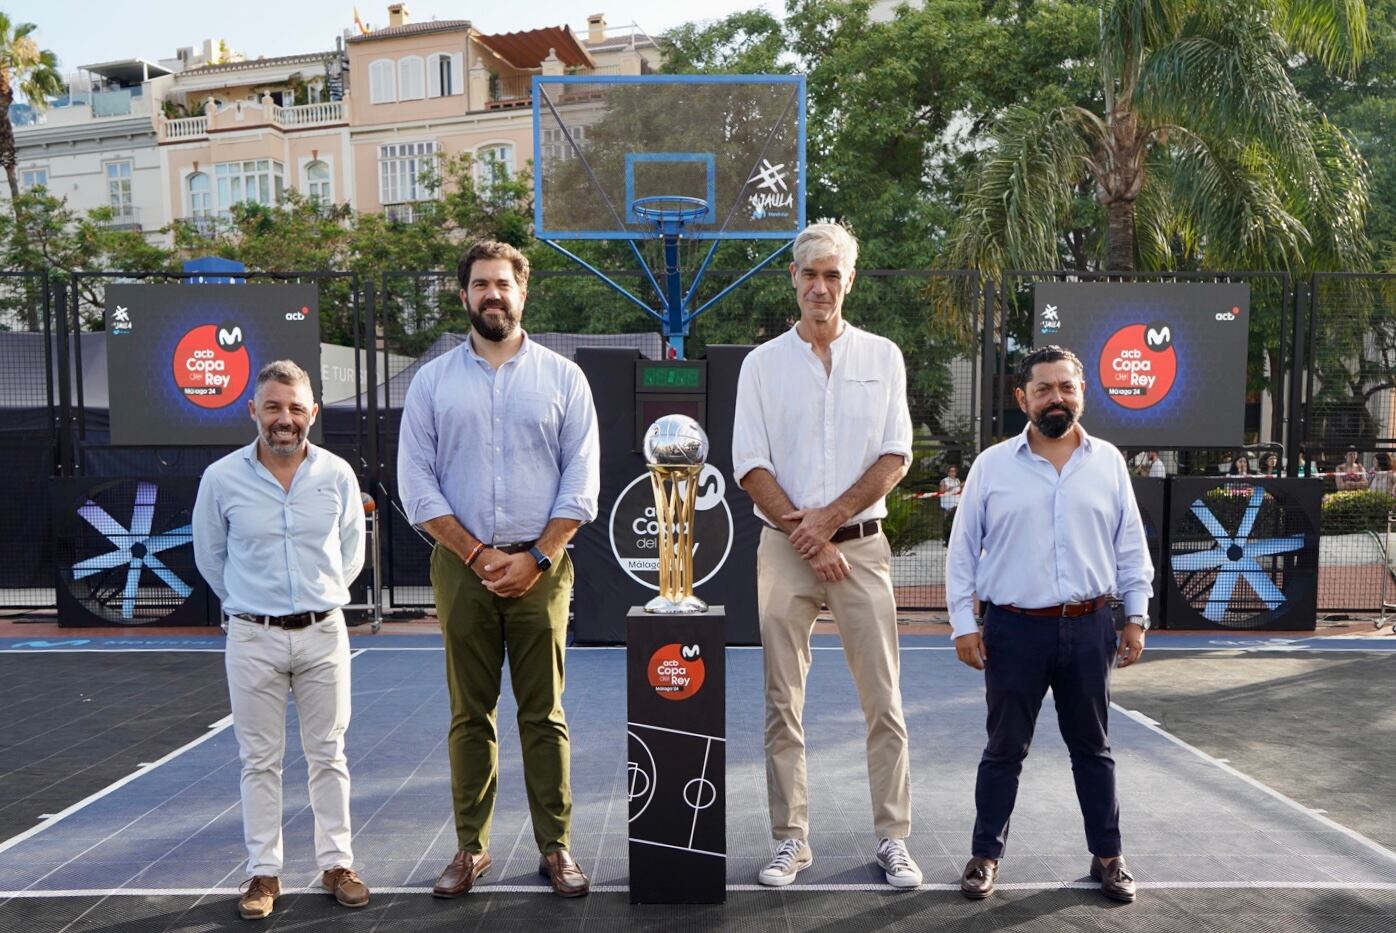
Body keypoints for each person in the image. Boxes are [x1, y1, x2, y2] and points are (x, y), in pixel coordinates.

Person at [397, 240, 600, 899]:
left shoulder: (563, 378)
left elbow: (582, 483)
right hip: (462, 567)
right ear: (465, 295)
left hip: (545, 565)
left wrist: (538, 554)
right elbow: (417, 486)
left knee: (544, 714)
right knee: (469, 714)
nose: (492, 293)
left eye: (503, 283)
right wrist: (478, 554)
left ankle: (556, 846)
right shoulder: (432, 382)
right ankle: (470, 847)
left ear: (522, 292)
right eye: (480, 283)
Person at [731, 221, 921, 890]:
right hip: (784, 549)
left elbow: (895, 456)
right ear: (793, 277)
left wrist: (832, 522)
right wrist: (807, 535)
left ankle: (892, 838)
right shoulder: (762, 365)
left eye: (832, 274)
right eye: (810, 273)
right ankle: (790, 839)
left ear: (850, 279)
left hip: (861, 549)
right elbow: (749, 462)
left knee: (885, 702)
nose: (820, 285)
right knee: (783, 702)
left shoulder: (883, 356)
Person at [946, 345, 1153, 904]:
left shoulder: (1108, 462)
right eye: (1043, 389)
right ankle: (985, 854)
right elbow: (962, 553)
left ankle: (1108, 856)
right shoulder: (991, 466)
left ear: (1082, 392)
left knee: (1094, 749)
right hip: (1014, 630)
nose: (1056, 398)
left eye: (1066, 387)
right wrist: (964, 625)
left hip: (1090, 629)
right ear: (1023, 398)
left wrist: (1135, 616)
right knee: (1004, 750)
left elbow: (1130, 546)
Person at [192, 360, 369, 920]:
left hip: (323, 635)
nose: (284, 418)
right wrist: (252, 605)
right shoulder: (220, 479)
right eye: (273, 407)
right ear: (254, 411)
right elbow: (211, 559)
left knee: (329, 756)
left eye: (295, 408)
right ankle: (263, 874)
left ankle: (337, 863)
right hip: (252, 638)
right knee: (259, 761)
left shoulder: (338, 474)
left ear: (312, 413)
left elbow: (351, 555)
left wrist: (318, 600)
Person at [940, 464, 962, 544]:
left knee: (956, 523)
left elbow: (959, 491)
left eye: (954, 471)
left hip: (956, 504)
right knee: (947, 523)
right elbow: (942, 490)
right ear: (948, 472)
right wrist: (952, 487)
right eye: (951, 471)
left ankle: (955, 539)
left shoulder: (957, 480)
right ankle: (946, 540)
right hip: (948, 505)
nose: (953, 473)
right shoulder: (944, 480)